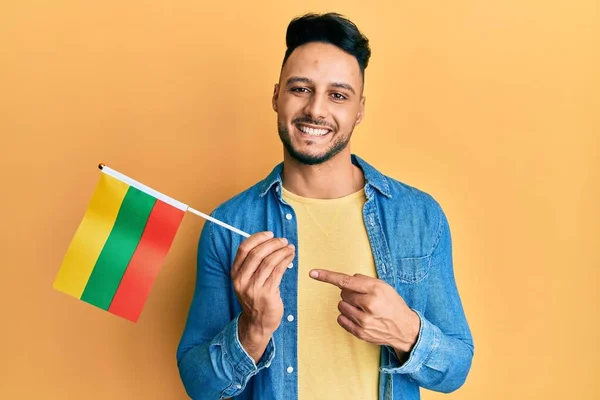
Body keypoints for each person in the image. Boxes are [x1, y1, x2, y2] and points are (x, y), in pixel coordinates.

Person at [176, 12, 474, 400]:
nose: (316, 110)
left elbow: (456, 368)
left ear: (359, 109)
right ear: (276, 96)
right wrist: (253, 329)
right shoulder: (229, 224)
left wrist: (406, 330)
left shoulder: (418, 216)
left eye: (338, 95)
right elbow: (199, 385)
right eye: (300, 88)